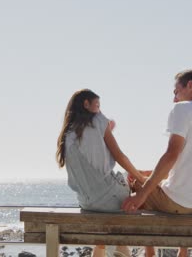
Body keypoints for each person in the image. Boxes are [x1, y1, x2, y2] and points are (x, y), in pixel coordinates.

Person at [121, 69, 192, 257]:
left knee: (134, 181)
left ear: (190, 85)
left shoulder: (183, 109)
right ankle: (182, 252)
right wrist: (150, 173)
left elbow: (171, 154)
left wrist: (141, 194)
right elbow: (190, 164)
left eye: (176, 91)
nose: (174, 99)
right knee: (146, 179)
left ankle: (149, 252)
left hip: (181, 204)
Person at [56, 89, 145, 257]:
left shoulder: (68, 133)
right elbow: (119, 156)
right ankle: (143, 250)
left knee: (102, 238)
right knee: (132, 183)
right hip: (110, 200)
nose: (99, 110)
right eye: (97, 105)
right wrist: (142, 179)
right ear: (86, 104)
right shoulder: (98, 120)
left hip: (87, 204)